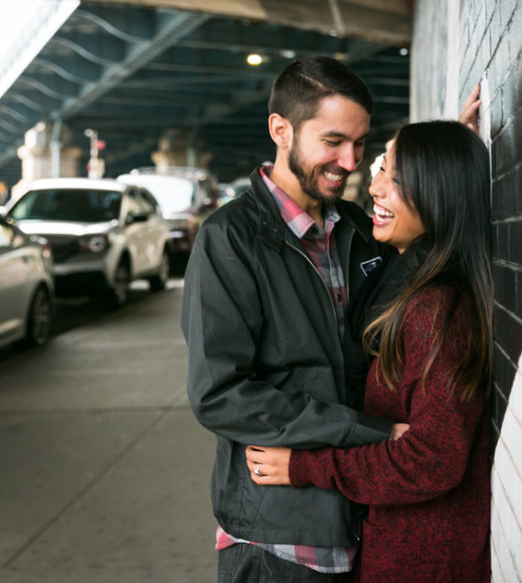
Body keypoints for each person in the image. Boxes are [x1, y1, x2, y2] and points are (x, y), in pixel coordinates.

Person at [183, 55, 483, 582]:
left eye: (361, 144)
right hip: (279, 533)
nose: (349, 161)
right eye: (332, 141)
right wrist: (370, 432)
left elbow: (423, 247)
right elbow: (219, 393)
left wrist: (440, 164)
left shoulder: (358, 229)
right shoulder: (230, 240)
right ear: (281, 130)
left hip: (358, 518)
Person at [245, 120, 494, 581]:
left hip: (421, 560)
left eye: (395, 177)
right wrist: (441, 143)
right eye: (382, 169)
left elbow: (433, 459)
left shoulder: (436, 312)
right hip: (401, 544)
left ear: (437, 190)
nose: (375, 187)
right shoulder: (410, 284)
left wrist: (304, 466)